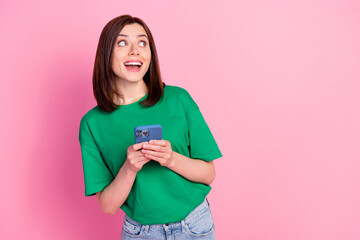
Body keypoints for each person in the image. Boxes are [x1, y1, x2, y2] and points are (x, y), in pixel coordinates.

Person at [78, 14, 222, 239]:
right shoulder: (92, 123)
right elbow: (107, 205)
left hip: (195, 225)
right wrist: (129, 168)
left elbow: (208, 174)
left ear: (150, 54)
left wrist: (170, 158)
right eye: (122, 42)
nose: (135, 50)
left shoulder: (179, 99)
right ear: (106, 54)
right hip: (141, 233)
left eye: (142, 43)